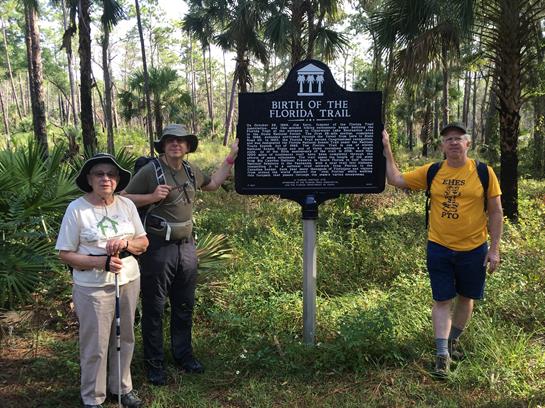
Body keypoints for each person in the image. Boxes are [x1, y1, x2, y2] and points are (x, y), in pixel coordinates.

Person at [382, 122, 503, 377]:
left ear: (468, 143)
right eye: (448, 139)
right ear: (442, 146)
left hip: (474, 249)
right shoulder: (433, 171)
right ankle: (441, 355)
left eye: (459, 138)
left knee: (466, 297)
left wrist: (494, 249)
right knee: (442, 299)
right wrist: (387, 148)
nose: (454, 142)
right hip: (439, 247)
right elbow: (395, 179)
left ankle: (452, 340)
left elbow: (495, 212)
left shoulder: (484, 172)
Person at [122, 124, 238, 385]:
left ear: (187, 146)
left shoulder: (190, 170)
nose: (176, 144)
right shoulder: (151, 171)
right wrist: (151, 196)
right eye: (170, 140)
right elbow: (123, 198)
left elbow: (213, 184)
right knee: (154, 307)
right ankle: (154, 364)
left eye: (181, 141)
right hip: (157, 248)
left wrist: (231, 157)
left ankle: (183, 355)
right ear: (163, 145)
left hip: (186, 247)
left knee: (184, 304)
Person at [56, 153, 149, 408]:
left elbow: (143, 242)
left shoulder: (126, 205)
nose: (105, 178)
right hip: (92, 287)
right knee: (95, 343)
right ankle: (93, 397)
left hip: (129, 280)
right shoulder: (77, 209)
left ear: (117, 180)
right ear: (89, 179)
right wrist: (101, 262)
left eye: (111, 174)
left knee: (125, 336)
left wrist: (126, 243)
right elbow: (65, 254)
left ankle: (122, 388)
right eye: (99, 174)